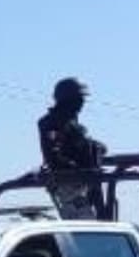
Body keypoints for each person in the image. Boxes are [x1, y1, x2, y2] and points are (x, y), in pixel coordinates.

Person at [36, 76, 108, 220]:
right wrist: (75, 168)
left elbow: (83, 145)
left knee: (96, 221)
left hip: (82, 180)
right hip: (69, 183)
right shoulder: (53, 123)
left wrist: (96, 147)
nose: (82, 103)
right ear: (68, 100)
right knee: (87, 227)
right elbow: (54, 155)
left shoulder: (70, 123)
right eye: (79, 99)